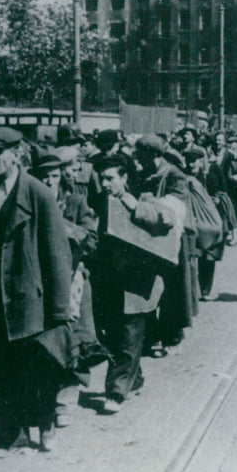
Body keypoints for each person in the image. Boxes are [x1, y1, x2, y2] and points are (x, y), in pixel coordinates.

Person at [0, 127, 74, 457]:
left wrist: (58, 309)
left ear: (16, 154)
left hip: (30, 298)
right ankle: (10, 436)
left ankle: (45, 425)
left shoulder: (38, 193)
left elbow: (57, 253)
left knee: (34, 370)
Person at [31, 151, 108, 428]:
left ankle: (66, 398)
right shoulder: (31, 204)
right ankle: (45, 399)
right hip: (40, 281)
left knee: (73, 339)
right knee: (45, 342)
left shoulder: (75, 202)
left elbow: (91, 239)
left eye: (54, 176)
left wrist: (63, 227)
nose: (49, 182)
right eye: (43, 177)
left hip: (73, 281)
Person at [91, 154, 166, 414]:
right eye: (101, 178)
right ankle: (135, 379)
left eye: (110, 178)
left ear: (124, 178)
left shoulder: (143, 199)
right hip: (109, 283)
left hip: (136, 284)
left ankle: (116, 391)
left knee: (130, 335)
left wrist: (132, 205)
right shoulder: (99, 202)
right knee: (114, 336)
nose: (104, 183)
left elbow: (163, 220)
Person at [134, 135, 196, 352]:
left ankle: (171, 333)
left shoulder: (175, 175)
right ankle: (151, 334)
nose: (137, 158)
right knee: (148, 286)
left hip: (172, 241)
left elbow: (177, 207)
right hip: (147, 239)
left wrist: (147, 200)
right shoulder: (143, 173)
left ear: (154, 155)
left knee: (172, 288)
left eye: (141, 154)